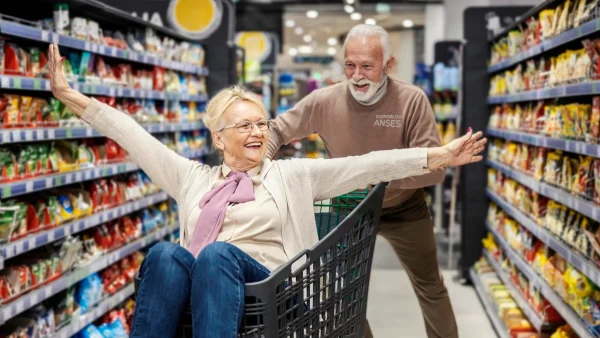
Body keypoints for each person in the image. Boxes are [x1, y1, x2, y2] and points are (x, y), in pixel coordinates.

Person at [47, 43, 485, 338]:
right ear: (219, 138)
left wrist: (437, 156)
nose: (258, 132)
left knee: (218, 253)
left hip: (276, 299)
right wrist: (70, 96)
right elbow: (131, 134)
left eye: (261, 123)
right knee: (164, 254)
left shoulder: (291, 175)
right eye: (244, 126)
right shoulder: (192, 178)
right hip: (207, 298)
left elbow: (366, 166)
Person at [266, 24, 458, 338]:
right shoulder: (323, 101)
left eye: (368, 66)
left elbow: (435, 168)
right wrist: (259, 168)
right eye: (350, 66)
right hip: (347, 208)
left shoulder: (411, 101)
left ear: (388, 65)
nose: (357, 75)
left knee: (430, 285)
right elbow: (276, 130)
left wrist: (379, 176)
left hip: (404, 208)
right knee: (342, 294)